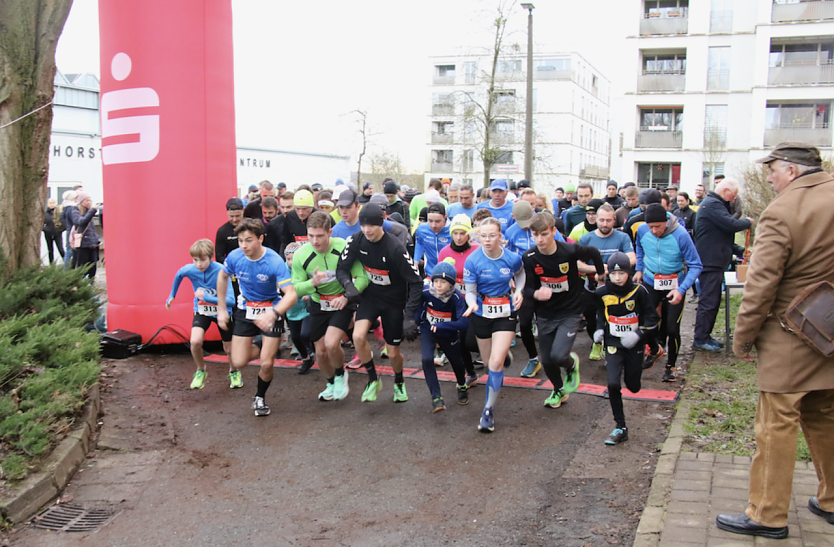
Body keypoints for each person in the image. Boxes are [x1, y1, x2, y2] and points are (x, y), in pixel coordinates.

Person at [716, 142, 834, 540]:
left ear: (792, 171)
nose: (768, 178)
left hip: (790, 334)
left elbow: (761, 285)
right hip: (831, 327)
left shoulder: (782, 212)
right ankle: (833, 499)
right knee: (824, 416)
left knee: (775, 425)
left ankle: (767, 514)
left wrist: (743, 338)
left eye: (773, 171)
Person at [337, 204, 422, 403]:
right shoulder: (357, 239)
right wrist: (348, 285)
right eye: (364, 225)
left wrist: (409, 316)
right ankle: (373, 379)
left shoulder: (395, 248)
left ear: (382, 223)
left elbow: (416, 282)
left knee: (393, 353)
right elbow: (342, 268)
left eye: (372, 225)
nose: (367, 230)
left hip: (394, 301)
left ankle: (399, 381)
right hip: (371, 297)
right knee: (357, 336)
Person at [216, 219, 297, 417]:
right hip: (246, 309)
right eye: (241, 240)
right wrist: (221, 309)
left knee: (266, 363)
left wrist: (274, 313)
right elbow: (222, 276)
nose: (244, 245)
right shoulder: (235, 257)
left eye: (249, 240)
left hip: (271, 308)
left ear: (260, 239)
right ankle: (263, 345)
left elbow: (291, 294)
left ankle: (259, 397)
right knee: (238, 361)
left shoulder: (274, 261)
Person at [523, 213, 603, 409]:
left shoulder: (569, 250)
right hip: (545, 313)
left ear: (553, 231)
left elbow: (593, 252)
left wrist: (599, 274)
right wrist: (536, 294)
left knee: (559, 356)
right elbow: (527, 288)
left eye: (544, 234)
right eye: (535, 235)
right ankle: (558, 390)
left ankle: (571, 365)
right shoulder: (530, 257)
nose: (540, 240)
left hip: (570, 311)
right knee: (548, 360)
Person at [292, 211, 369, 400]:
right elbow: (296, 288)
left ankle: (341, 375)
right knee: (320, 352)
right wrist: (312, 284)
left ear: (330, 232)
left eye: (320, 235)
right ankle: (331, 382)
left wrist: (346, 296)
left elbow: (362, 277)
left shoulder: (344, 248)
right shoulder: (301, 255)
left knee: (331, 343)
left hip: (342, 302)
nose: (315, 241)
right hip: (318, 305)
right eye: (310, 236)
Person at [463, 218, 525, 433]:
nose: (487, 240)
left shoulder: (511, 258)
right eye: (483, 236)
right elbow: (469, 290)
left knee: (495, 364)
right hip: (481, 311)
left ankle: (488, 410)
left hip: (505, 310)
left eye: (491, 235)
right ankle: (501, 355)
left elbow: (520, 272)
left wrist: (518, 291)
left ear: (500, 237)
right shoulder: (473, 260)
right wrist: (471, 304)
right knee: (489, 361)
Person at [593, 252, 659, 445]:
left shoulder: (639, 292)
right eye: (614, 274)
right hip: (613, 343)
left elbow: (653, 319)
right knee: (613, 384)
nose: (618, 277)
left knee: (633, 386)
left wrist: (638, 334)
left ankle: (642, 367)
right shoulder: (602, 293)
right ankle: (620, 426)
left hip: (634, 344)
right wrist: (599, 330)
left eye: (622, 273)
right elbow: (600, 313)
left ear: (629, 273)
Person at [634, 203, 702, 382]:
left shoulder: (680, 235)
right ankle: (655, 349)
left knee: (672, 327)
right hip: (651, 279)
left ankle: (671, 366)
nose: (655, 231)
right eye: (651, 227)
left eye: (659, 226)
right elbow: (639, 248)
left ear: (666, 221)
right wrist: (639, 268)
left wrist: (681, 289)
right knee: (644, 323)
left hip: (675, 283)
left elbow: (696, 265)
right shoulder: (641, 230)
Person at [692, 179, 754, 352]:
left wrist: (741, 250)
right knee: (708, 301)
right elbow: (732, 225)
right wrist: (748, 222)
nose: (733, 201)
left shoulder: (713, 204)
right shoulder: (712, 205)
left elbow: (721, 236)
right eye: (732, 196)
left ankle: (706, 335)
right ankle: (700, 338)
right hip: (710, 262)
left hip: (715, 261)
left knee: (713, 300)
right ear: (725, 191)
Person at [166, 239, 236, 389]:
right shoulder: (190, 269)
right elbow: (179, 274)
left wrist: (208, 297)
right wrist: (172, 295)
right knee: (195, 342)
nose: (199, 264)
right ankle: (200, 370)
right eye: (195, 260)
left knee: (228, 349)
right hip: (202, 310)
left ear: (211, 258)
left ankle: (234, 371)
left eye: (203, 260)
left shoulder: (221, 271)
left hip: (222, 312)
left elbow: (231, 301)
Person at [579, 203, 635, 361]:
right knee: (591, 319)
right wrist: (594, 270)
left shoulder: (622, 237)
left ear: (614, 220)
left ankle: (611, 346)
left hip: (615, 286)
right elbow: (577, 264)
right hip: (592, 286)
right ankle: (596, 342)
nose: (605, 224)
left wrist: (610, 270)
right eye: (602, 220)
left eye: (609, 220)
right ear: (595, 219)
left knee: (613, 317)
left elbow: (632, 258)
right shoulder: (586, 238)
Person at [416, 258, 471, 412]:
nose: (438, 285)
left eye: (443, 282)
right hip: (429, 330)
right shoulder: (426, 293)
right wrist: (415, 323)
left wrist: (442, 325)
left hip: (448, 333)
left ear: (451, 284)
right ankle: (436, 397)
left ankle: (461, 384)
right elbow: (417, 308)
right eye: (436, 281)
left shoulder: (457, 298)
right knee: (427, 359)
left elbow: (464, 323)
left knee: (457, 363)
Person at [438, 214, 482, 386]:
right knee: (460, 341)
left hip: (477, 301)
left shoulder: (477, 249)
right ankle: (470, 374)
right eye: (455, 233)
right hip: (456, 303)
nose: (458, 237)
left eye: (462, 233)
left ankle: (495, 353)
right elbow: (440, 278)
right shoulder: (444, 252)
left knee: (471, 341)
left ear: (468, 233)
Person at [282, 242, 315, 374]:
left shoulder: (307, 268)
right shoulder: (283, 270)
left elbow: (316, 285)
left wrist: (310, 295)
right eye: (288, 259)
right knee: (295, 337)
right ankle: (307, 358)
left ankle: (311, 349)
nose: (291, 262)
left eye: (293, 258)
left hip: (306, 308)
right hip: (292, 309)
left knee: (305, 334)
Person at [413, 202, 451, 277]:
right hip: (430, 272)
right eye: (430, 221)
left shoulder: (453, 229)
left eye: (437, 221)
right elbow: (420, 243)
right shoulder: (422, 228)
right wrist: (416, 261)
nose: (433, 225)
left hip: (450, 273)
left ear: (445, 218)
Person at [68, 192, 101, 278]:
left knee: (93, 268)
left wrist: (97, 239)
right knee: (82, 267)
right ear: (81, 202)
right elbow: (81, 221)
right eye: (87, 201)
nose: (89, 203)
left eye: (90, 201)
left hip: (92, 244)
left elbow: (92, 229)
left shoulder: (88, 212)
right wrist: (92, 210)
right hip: (82, 244)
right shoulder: (75, 211)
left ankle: (90, 284)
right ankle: (80, 285)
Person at [215, 197, 244, 263]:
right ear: (227, 212)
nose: (234, 219)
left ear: (243, 211)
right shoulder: (222, 231)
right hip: (232, 266)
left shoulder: (251, 227)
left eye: (237, 216)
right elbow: (219, 256)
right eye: (231, 216)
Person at [43, 198, 65, 264]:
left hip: (57, 233)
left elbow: (63, 222)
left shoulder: (59, 213)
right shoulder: (45, 214)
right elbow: (40, 224)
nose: (52, 204)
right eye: (50, 203)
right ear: (48, 204)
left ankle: (67, 264)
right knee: (50, 250)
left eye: (53, 203)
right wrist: (45, 229)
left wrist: (61, 229)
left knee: (61, 249)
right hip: (48, 233)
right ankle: (51, 264)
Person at [61, 191, 78, 270]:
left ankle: (67, 268)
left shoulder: (65, 207)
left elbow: (62, 219)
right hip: (73, 231)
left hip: (68, 230)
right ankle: (67, 269)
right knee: (70, 251)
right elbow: (75, 220)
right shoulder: (72, 208)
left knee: (69, 249)